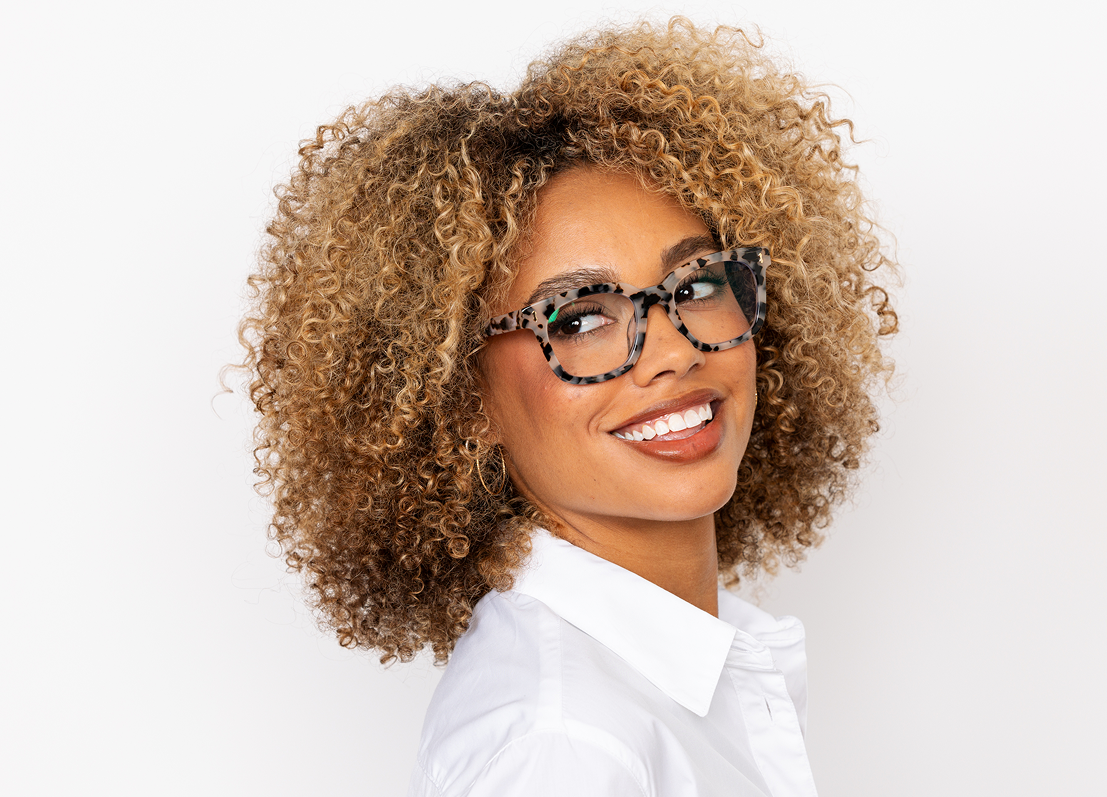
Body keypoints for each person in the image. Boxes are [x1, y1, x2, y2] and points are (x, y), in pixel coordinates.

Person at [239, 17, 897, 797]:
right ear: (462, 399)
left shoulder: (667, 682)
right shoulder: (565, 746)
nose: (673, 351)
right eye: (579, 318)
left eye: (695, 284)